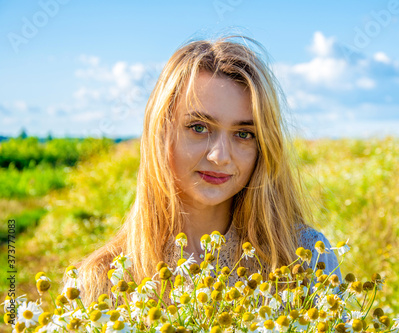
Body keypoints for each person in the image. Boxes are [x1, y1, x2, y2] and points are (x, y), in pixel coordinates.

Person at [68, 35, 342, 306]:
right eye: (198, 127)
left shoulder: (307, 258)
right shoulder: (100, 283)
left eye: (244, 134)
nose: (220, 156)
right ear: (161, 133)